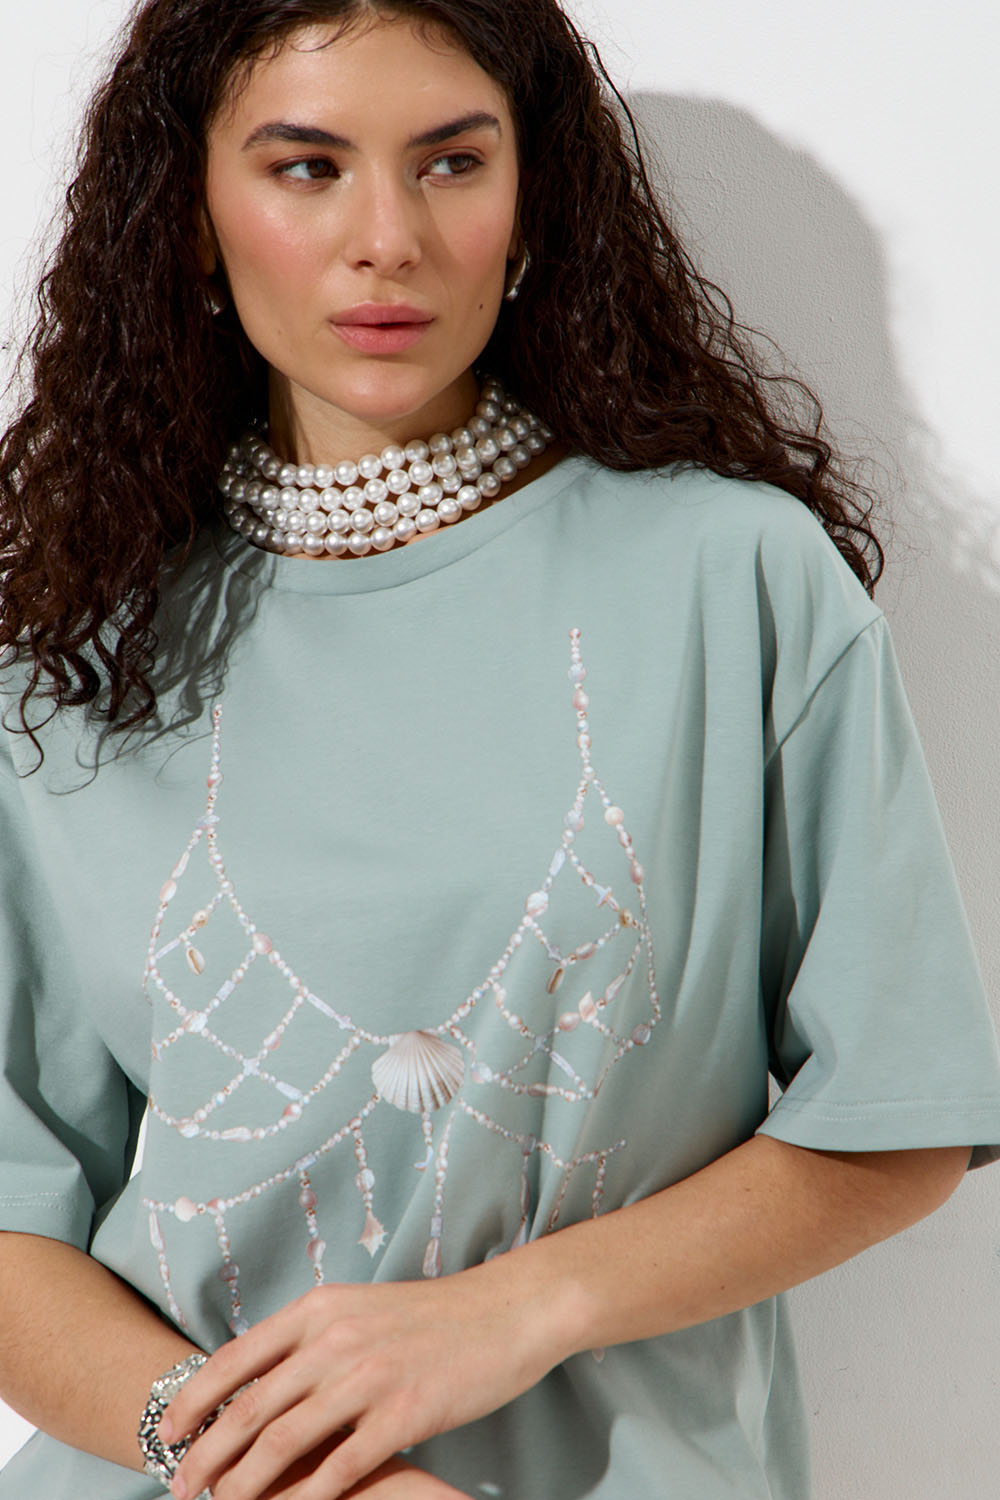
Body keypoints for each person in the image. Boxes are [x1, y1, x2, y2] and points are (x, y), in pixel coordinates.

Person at [1, 1, 998, 1497]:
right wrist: (288, 1473)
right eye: (307, 168)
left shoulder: (729, 579)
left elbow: (898, 1119)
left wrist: (512, 1315)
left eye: (451, 163)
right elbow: (13, 1226)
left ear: (534, 202)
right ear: (191, 219)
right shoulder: (70, 654)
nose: (387, 239)